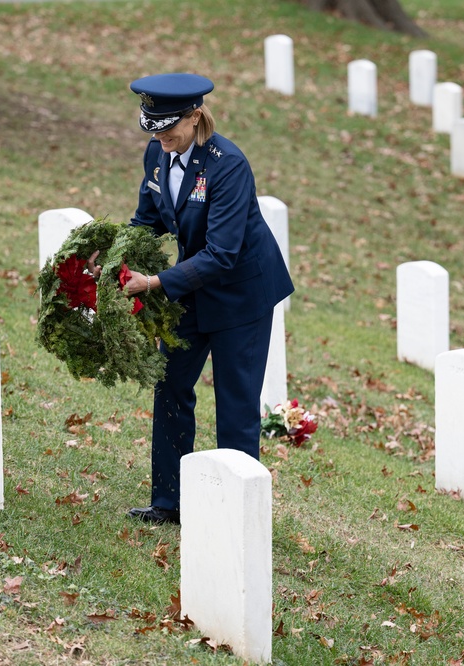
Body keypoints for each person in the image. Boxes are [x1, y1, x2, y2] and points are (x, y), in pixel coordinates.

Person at [110, 73, 294, 524]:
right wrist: (111, 251)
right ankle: (169, 503)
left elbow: (223, 253)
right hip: (190, 287)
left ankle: (236, 512)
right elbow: (147, 220)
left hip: (241, 294)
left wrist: (154, 283)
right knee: (170, 384)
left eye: (169, 128)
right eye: (152, 128)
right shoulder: (157, 151)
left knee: (235, 401)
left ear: (195, 117)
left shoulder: (228, 165)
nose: (160, 137)